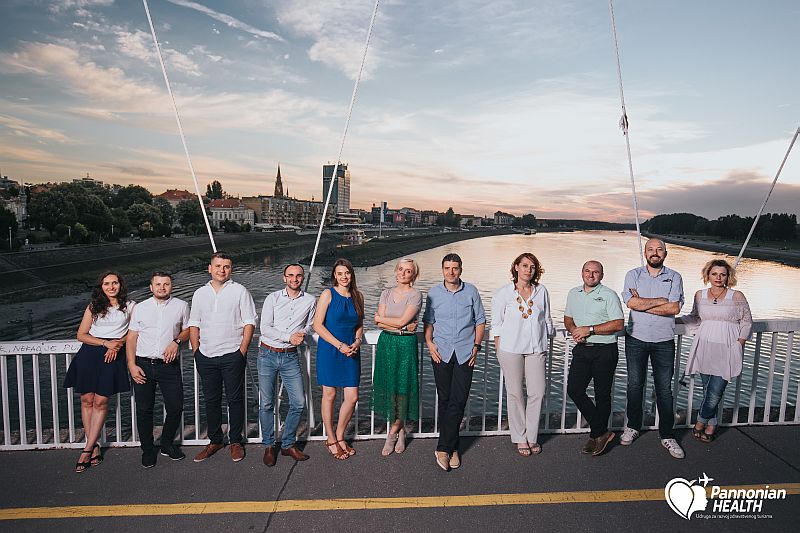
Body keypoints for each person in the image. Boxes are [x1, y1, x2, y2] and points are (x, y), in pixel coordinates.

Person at [188, 252, 257, 463]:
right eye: (218, 266)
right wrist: (196, 351)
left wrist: (242, 351)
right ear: (210, 268)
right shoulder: (200, 293)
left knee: (235, 400)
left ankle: (235, 441)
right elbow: (194, 323)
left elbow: (249, 322)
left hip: (232, 354)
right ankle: (215, 440)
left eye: (226, 266)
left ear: (231, 269)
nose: (222, 270)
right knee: (211, 400)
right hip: (206, 355)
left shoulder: (239, 291)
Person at [621, 238, 686, 459]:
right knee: (634, 385)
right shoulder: (633, 275)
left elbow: (674, 308)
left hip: (663, 341)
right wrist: (659, 300)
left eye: (659, 249)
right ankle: (633, 426)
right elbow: (631, 303)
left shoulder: (675, 277)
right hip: (636, 339)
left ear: (665, 254)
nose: (655, 252)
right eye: (650, 249)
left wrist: (643, 304)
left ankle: (667, 435)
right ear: (645, 253)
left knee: (664, 390)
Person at [64, 271, 134, 473]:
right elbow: (81, 334)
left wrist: (116, 344)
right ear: (101, 287)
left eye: (115, 283)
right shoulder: (94, 306)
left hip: (113, 355)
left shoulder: (130, 306)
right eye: (106, 283)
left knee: (101, 401)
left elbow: (133, 332)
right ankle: (93, 445)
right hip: (90, 353)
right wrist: (105, 343)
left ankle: (86, 450)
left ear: (120, 285)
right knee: (87, 400)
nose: (111, 287)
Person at [423, 253, 486, 471]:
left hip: (466, 352)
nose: (451, 272)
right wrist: (429, 343)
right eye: (447, 268)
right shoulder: (434, 293)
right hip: (441, 352)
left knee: (459, 400)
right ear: (442, 270)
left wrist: (476, 346)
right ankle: (453, 447)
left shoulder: (471, 291)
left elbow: (480, 320)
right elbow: (429, 321)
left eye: (455, 268)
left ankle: (443, 448)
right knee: (445, 399)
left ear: (461, 270)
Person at [679, 259, 752, 442]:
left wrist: (739, 343)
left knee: (715, 391)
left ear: (728, 276)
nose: (718, 278)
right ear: (708, 275)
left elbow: (746, 321)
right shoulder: (700, 295)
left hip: (727, 346)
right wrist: (673, 320)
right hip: (705, 345)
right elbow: (695, 318)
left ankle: (700, 421)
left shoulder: (736, 296)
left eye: (722, 274)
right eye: (714, 274)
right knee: (707, 389)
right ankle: (712, 423)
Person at [490, 253, 553, 456]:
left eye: (532, 267)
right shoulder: (503, 293)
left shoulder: (541, 291)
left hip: (536, 348)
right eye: (524, 265)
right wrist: (499, 349)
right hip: (510, 349)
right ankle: (519, 437)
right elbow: (496, 324)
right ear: (516, 267)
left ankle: (532, 436)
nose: (528, 270)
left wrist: (548, 339)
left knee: (538, 392)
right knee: (515, 393)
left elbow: (547, 319)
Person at [126, 272, 190, 468]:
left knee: (175, 407)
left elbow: (188, 329)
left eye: (166, 284)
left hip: (168, 366)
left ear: (171, 286)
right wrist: (132, 365)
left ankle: (166, 444)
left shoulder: (181, 306)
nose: (162, 287)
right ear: (151, 287)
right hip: (143, 364)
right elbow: (131, 338)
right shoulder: (140, 308)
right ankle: (147, 449)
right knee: (144, 409)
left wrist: (176, 342)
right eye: (158, 284)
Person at [258, 263, 316, 467]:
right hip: (267, 354)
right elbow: (265, 328)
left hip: (290, 357)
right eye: (290, 275)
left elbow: (310, 324)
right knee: (266, 403)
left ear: (302, 278)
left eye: (298, 275)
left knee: (298, 402)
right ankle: (268, 446)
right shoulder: (272, 298)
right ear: (284, 278)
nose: (294, 279)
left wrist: (303, 333)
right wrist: (289, 337)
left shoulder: (310, 300)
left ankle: (288, 443)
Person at [564, 261, 625, 456]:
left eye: (595, 272)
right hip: (582, 349)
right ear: (582, 273)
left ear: (601, 275)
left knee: (602, 395)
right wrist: (575, 331)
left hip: (605, 350)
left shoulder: (609, 295)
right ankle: (602, 432)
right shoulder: (573, 293)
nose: (591, 275)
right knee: (574, 390)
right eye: (587, 271)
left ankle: (595, 435)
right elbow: (568, 319)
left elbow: (618, 324)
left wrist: (589, 330)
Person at [313, 259, 364, 460]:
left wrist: (357, 341)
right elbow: (317, 325)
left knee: (352, 397)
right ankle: (331, 439)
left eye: (347, 273)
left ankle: (340, 435)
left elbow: (359, 324)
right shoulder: (328, 294)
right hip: (330, 349)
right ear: (334, 275)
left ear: (352, 275)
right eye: (340, 273)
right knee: (330, 394)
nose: (344, 277)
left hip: (351, 350)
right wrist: (339, 345)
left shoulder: (358, 296)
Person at [372, 258, 422, 456]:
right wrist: (398, 325)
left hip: (405, 345)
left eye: (408, 270)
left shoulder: (416, 294)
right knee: (390, 386)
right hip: (387, 343)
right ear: (395, 271)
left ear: (414, 275)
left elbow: (399, 320)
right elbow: (380, 324)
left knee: (403, 387)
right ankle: (401, 431)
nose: (403, 273)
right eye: (400, 269)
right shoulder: (386, 293)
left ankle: (392, 433)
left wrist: (385, 320)